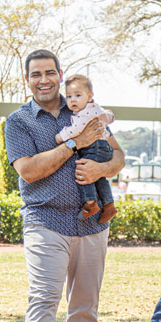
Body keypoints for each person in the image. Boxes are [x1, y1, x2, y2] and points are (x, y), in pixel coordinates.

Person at [4, 49, 125, 322]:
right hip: (46, 221)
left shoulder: (85, 108)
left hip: (91, 224)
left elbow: (118, 156)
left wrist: (101, 170)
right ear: (27, 80)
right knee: (43, 299)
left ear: (60, 74)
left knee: (85, 304)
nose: (43, 80)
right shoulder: (19, 121)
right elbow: (28, 170)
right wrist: (75, 143)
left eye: (49, 73)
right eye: (35, 74)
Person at [54, 74, 117, 223]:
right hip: (103, 146)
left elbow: (75, 130)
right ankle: (109, 205)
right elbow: (109, 117)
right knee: (99, 177)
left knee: (84, 171)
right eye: (69, 96)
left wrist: (59, 137)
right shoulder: (95, 108)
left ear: (89, 96)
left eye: (77, 95)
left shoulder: (85, 113)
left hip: (94, 147)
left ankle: (90, 203)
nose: (72, 100)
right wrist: (109, 115)